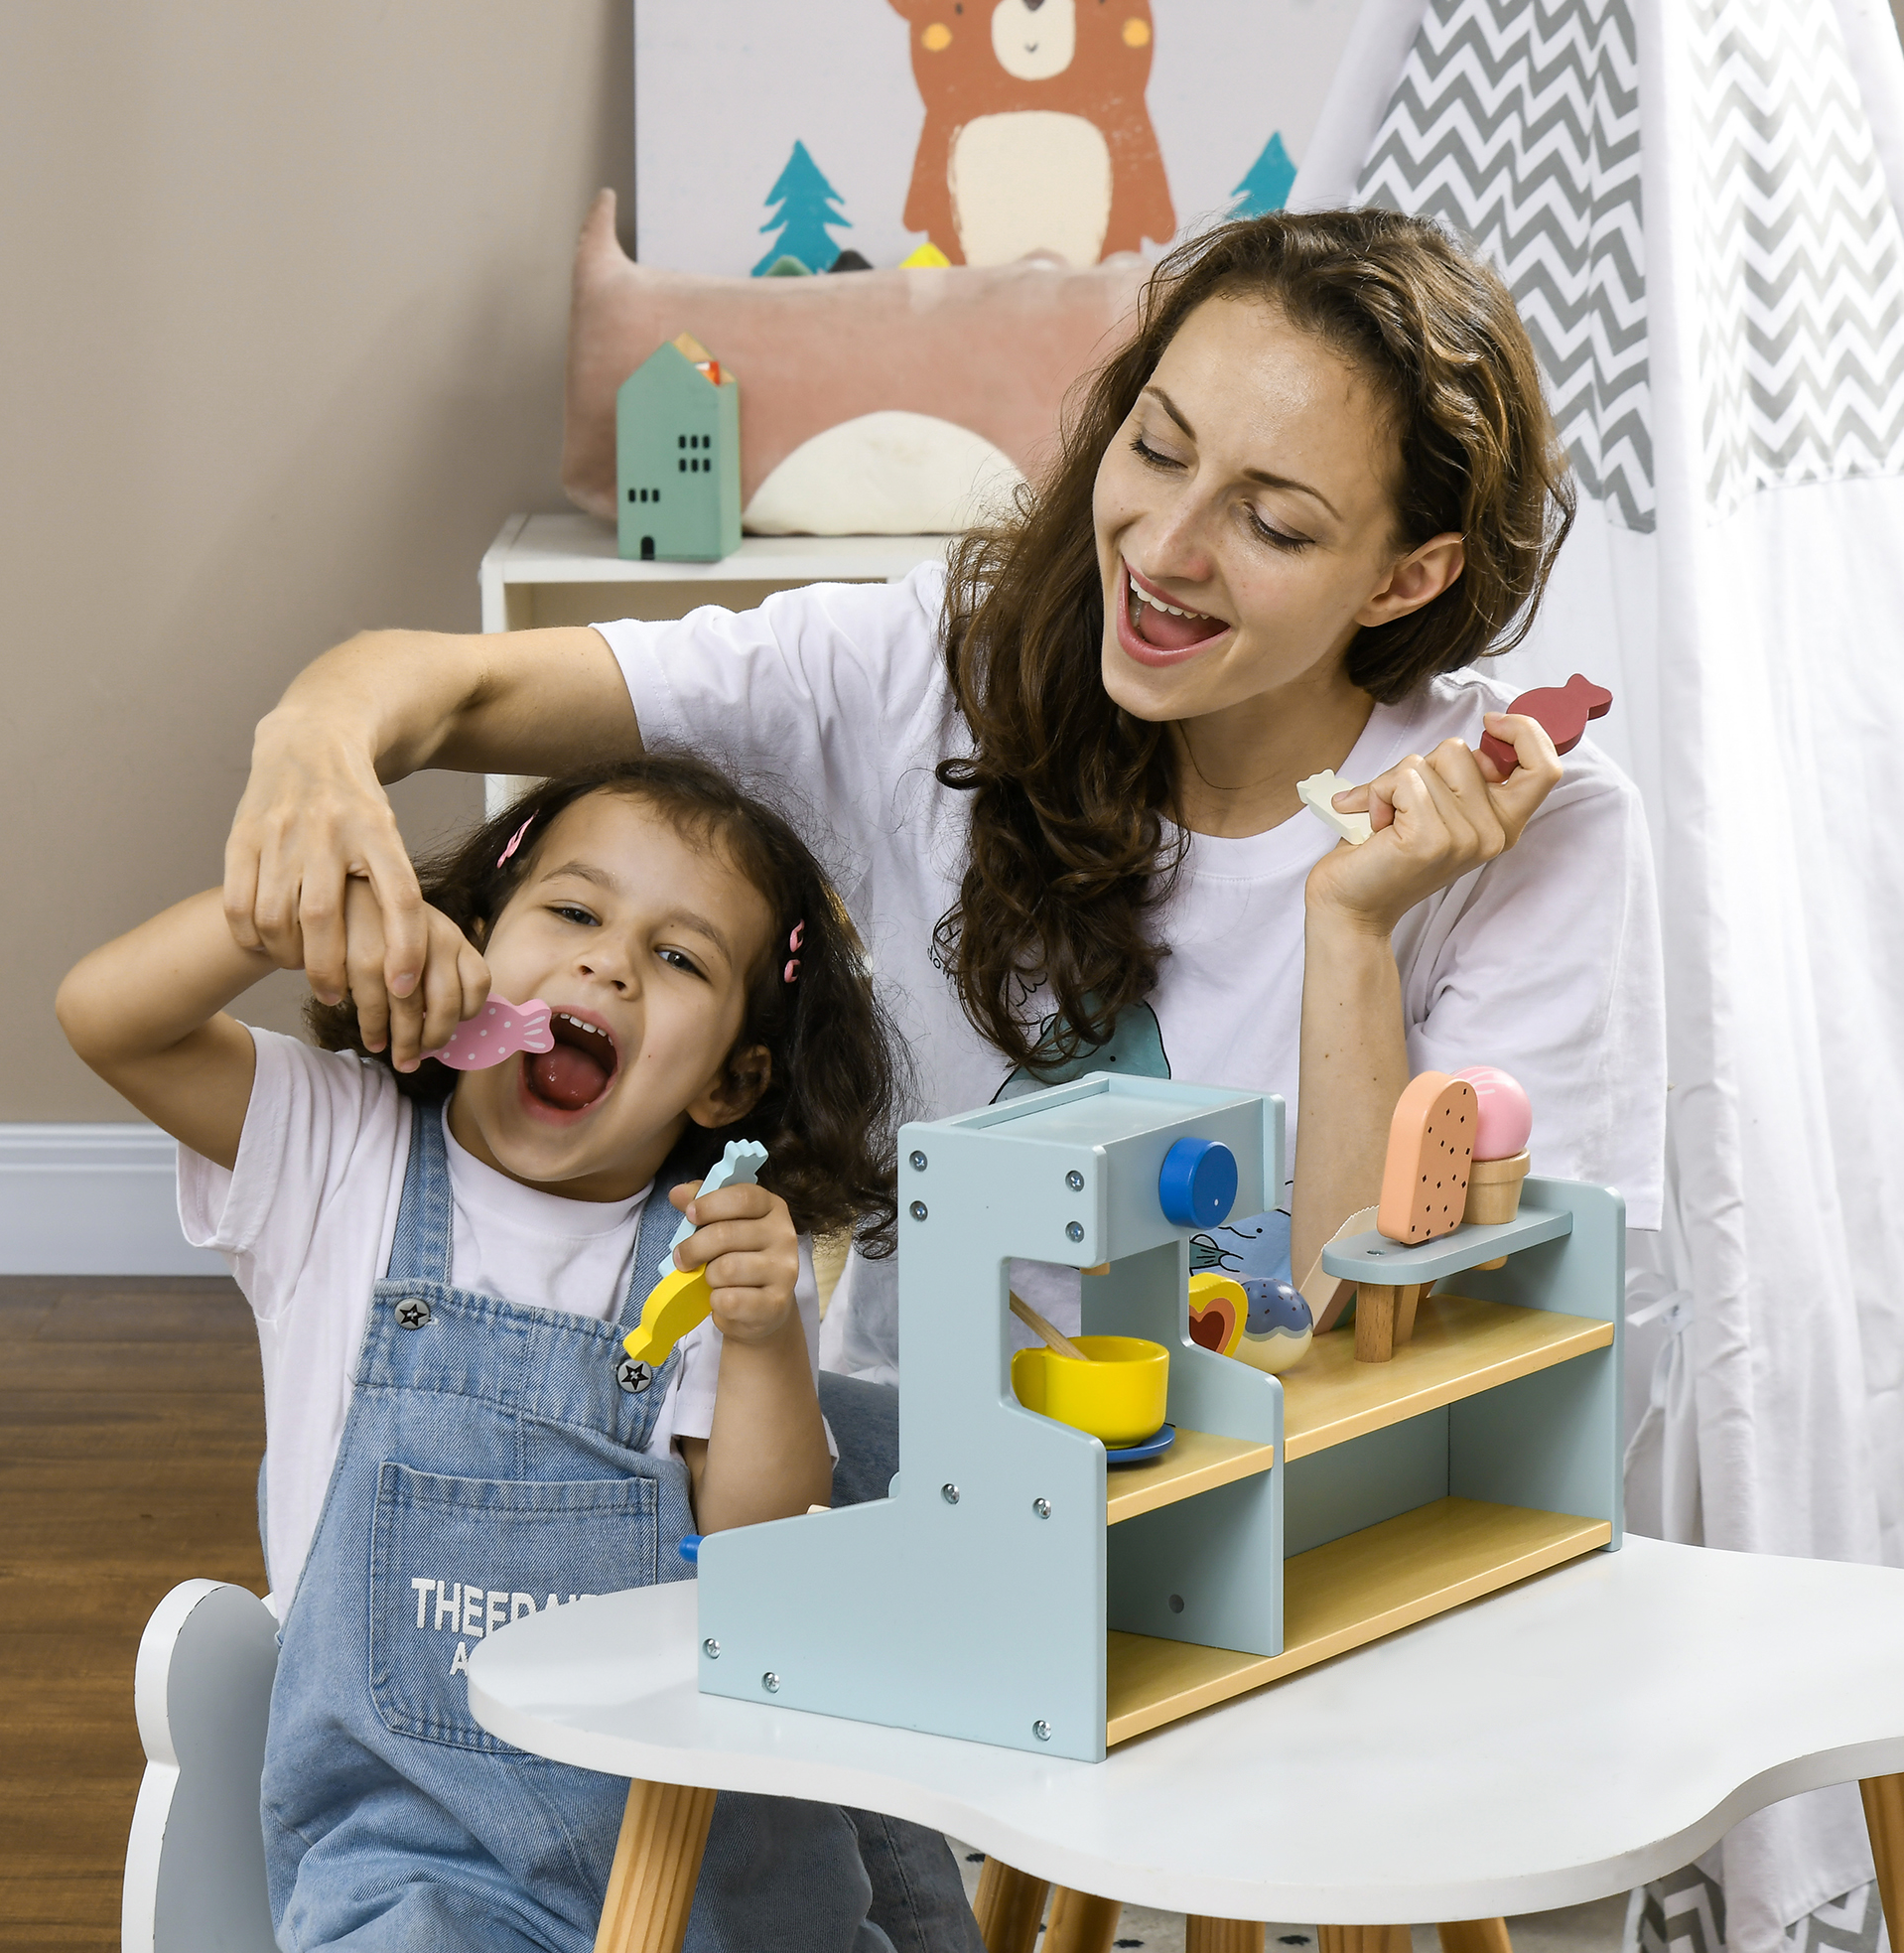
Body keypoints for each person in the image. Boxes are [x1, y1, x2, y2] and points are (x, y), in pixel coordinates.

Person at [220, 206, 1664, 1388]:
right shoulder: (928, 670)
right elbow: (448, 688)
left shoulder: (1535, 832)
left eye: (1274, 521)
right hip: (914, 1491)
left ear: (1407, 576)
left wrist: (1347, 934)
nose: (1163, 545)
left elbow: (1386, 1367)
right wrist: (317, 735)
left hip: (1292, 1532)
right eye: (1153, 448)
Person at [57, 756, 968, 1952]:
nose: (608, 962)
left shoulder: (718, 1240)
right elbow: (110, 1017)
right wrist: (294, 915)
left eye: (678, 956)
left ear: (728, 1079)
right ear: (468, 941)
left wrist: (762, 1343)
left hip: (697, 1847)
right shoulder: (338, 1150)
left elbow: (762, 1547)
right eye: (574, 912)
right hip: (422, 1861)